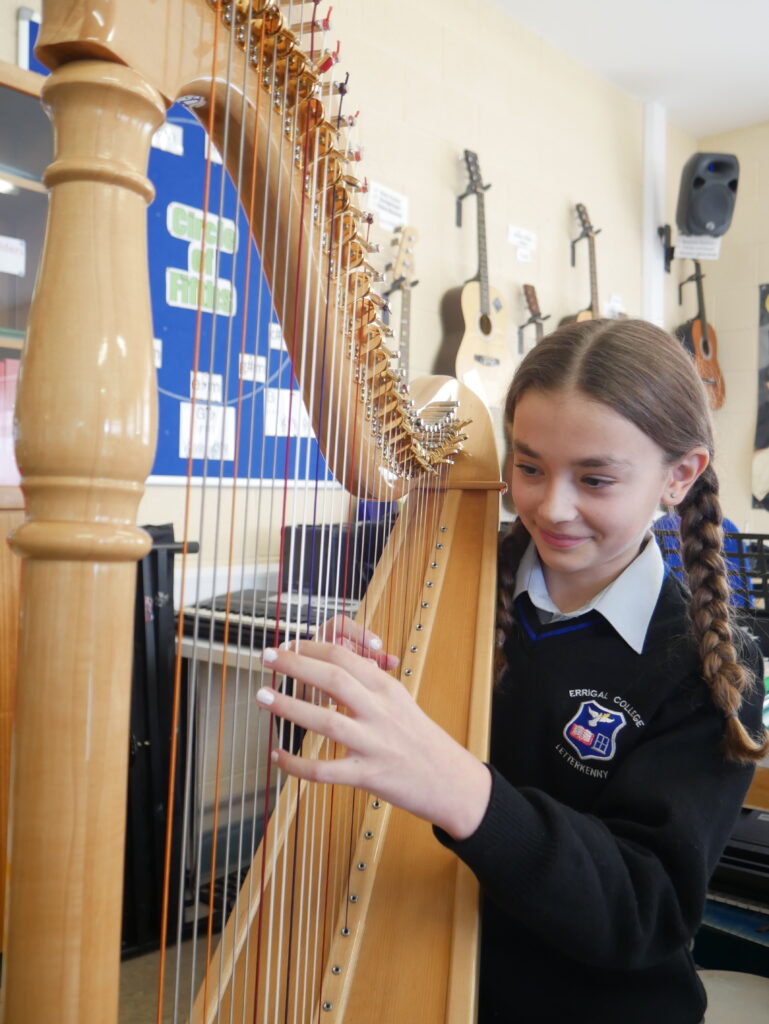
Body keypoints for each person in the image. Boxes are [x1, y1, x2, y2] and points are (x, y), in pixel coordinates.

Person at [255, 318, 769, 1023]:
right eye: (528, 467)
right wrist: (341, 688)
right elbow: (358, 774)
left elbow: (643, 913)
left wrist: (463, 791)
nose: (549, 507)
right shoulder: (453, 571)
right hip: (423, 936)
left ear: (678, 477)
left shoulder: (711, 668)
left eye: (594, 478)